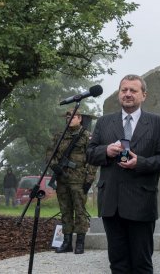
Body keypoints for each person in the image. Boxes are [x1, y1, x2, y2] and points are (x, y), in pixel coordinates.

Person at [87, 74, 160, 273]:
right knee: (117, 264)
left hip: (141, 202)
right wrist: (105, 151)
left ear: (144, 95)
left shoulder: (158, 123)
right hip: (111, 203)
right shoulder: (103, 122)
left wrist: (139, 163)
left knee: (141, 264)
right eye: (124, 90)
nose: (127, 94)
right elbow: (90, 154)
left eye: (133, 91)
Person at [47, 109, 97, 254]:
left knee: (80, 211)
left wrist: (89, 179)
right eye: (67, 117)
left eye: (73, 116)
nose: (69, 119)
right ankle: (67, 242)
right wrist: (55, 166)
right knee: (65, 211)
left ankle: (80, 242)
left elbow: (92, 160)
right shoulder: (59, 136)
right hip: (62, 179)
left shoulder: (87, 136)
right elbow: (50, 152)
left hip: (79, 179)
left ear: (80, 118)